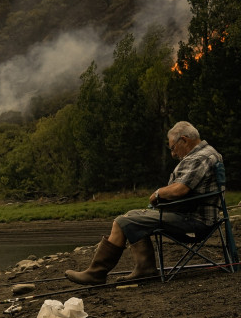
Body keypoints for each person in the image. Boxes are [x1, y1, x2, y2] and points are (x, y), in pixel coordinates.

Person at [65, 121, 224, 285]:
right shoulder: (206, 153)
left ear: (184, 140)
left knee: (123, 221)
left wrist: (158, 193)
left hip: (194, 222)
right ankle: (143, 268)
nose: (173, 154)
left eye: (172, 148)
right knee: (132, 215)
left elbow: (180, 190)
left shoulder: (200, 158)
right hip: (190, 215)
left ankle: (97, 274)